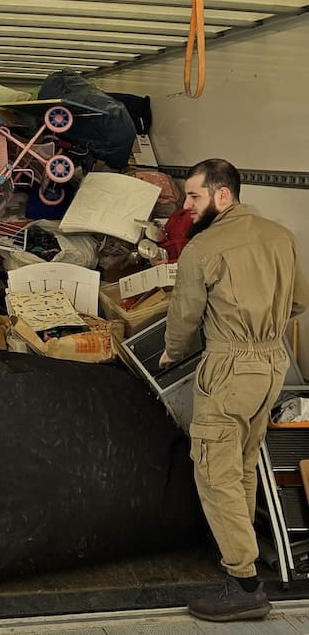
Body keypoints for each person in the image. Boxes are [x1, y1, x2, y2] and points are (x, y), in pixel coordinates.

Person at [159, 158, 309, 623]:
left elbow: (183, 321)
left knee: (213, 472)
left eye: (194, 196)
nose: (187, 206)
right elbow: (300, 300)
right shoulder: (281, 236)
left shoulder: (202, 250)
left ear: (223, 195)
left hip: (228, 368)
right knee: (241, 465)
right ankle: (237, 561)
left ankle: (243, 584)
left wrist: (170, 355)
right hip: (271, 366)